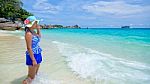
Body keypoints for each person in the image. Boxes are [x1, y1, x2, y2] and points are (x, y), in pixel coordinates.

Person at [22, 16, 42, 84]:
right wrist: (33, 60)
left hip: (37, 53)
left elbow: (39, 37)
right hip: (32, 55)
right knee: (30, 77)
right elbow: (29, 47)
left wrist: (38, 29)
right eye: (36, 23)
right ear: (32, 24)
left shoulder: (33, 31)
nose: (37, 24)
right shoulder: (28, 34)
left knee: (35, 75)